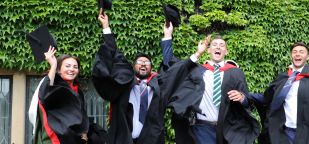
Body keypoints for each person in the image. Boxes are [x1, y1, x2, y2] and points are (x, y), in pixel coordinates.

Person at [159, 32, 259, 144]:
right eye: (214, 44)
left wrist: (242, 98)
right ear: (208, 50)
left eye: (222, 45)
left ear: (226, 51)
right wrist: (168, 36)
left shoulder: (235, 73)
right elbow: (172, 69)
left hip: (229, 129)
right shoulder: (197, 71)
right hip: (202, 128)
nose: (218, 47)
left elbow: (248, 103)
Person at [92, 9, 172, 144]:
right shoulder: (125, 83)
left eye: (147, 62)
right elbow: (114, 55)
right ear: (133, 66)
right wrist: (106, 27)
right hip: (124, 138)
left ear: (151, 67)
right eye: (140, 62)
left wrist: (167, 36)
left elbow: (169, 68)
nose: (143, 64)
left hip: (150, 139)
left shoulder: (157, 85)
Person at [30, 46, 89, 143]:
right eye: (67, 66)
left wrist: (84, 132)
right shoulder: (53, 85)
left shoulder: (77, 91)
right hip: (53, 138)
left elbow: (81, 114)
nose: (71, 69)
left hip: (72, 139)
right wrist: (53, 65)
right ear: (59, 70)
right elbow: (45, 94)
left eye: (75, 67)